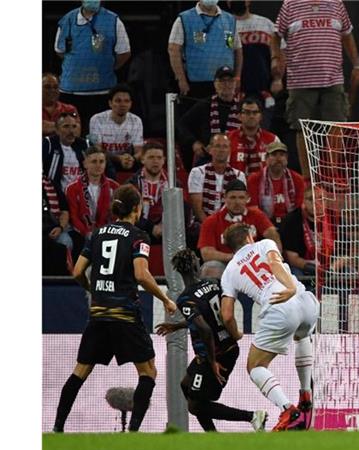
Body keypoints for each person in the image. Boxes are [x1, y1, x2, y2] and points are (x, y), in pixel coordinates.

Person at [53, 184, 177, 432]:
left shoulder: (97, 234)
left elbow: (77, 271)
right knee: (148, 372)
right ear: (137, 208)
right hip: (125, 315)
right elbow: (141, 275)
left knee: (80, 371)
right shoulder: (138, 236)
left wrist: (91, 289)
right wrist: (165, 299)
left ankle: (57, 428)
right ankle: (133, 432)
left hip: (98, 314)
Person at [154, 249, 268, 432]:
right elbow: (212, 317)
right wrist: (177, 326)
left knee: (196, 406)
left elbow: (205, 329)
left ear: (179, 272)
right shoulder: (214, 283)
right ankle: (212, 435)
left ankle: (253, 416)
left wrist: (213, 361)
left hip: (216, 354)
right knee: (185, 385)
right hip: (226, 347)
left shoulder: (185, 298)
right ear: (197, 265)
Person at [219, 223, 319, 431]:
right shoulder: (266, 243)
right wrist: (291, 286)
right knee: (302, 337)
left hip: (280, 307)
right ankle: (305, 393)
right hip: (307, 301)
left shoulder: (229, 272)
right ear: (249, 237)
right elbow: (274, 262)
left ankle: (288, 409)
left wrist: (236, 333)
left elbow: (226, 314)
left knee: (255, 366)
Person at [272, 0, 359, 177]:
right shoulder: (290, 4)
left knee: (337, 125)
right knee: (302, 128)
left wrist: (357, 65)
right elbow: (275, 35)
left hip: (333, 77)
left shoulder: (336, 4)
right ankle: (308, 178)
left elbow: (347, 34)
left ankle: (331, 174)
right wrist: (275, 58)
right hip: (300, 80)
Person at [54, 0, 131, 132]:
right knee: (70, 134)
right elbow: (59, 50)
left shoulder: (113, 21)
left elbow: (124, 53)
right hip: (70, 92)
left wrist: (106, 68)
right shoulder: (67, 20)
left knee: (102, 136)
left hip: (102, 92)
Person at [197, 179, 280, 278]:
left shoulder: (256, 215)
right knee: (210, 268)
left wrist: (274, 256)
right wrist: (235, 257)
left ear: (247, 198)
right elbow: (206, 253)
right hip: (226, 264)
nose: (237, 202)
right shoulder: (211, 221)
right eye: (232, 197)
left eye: (241, 197)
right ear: (225, 198)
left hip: (255, 263)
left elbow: (273, 235)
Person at [168, 0, 243, 99]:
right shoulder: (185, 18)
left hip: (225, 83)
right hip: (197, 84)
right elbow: (173, 49)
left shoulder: (229, 19)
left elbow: (237, 50)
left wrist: (237, 77)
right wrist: (181, 79)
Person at [227, 0, 279, 128]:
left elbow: (280, 52)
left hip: (263, 90)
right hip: (234, 91)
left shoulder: (265, 23)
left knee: (263, 132)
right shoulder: (224, 25)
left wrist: (278, 78)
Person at [179, 66, 242, 168]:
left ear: (235, 83)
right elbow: (182, 124)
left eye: (230, 81)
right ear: (215, 84)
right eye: (222, 81)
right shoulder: (204, 104)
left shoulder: (242, 107)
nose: (226, 84)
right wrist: (194, 142)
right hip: (207, 157)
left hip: (236, 157)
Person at [66, 146, 121, 241]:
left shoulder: (115, 187)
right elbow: (74, 217)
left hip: (108, 233)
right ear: (85, 164)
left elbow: (117, 215)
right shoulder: (72, 188)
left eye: (101, 161)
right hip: (81, 235)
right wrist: (87, 233)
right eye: (94, 161)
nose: (98, 165)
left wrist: (106, 232)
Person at [188, 133, 245, 223]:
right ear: (210, 149)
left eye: (225, 146)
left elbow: (239, 206)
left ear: (229, 150)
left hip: (231, 225)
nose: (221, 150)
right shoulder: (197, 172)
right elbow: (197, 209)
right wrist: (212, 228)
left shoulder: (239, 175)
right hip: (204, 225)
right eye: (217, 146)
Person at [246, 141, 305, 229]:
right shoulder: (254, 179)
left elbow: (299, 209)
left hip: (291, 224)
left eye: (281, 155)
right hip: (264, 225)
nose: (278, 159)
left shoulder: (297, 179)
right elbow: (254, 209)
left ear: (287, 158)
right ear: (266, 158)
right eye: (274, 155)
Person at [88, 84, 144, 174]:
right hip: (105, 160)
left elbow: (139, 150)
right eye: (118, 101)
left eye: (126, 101)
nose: (122, 104)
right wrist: (118, 158)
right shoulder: (97, 119)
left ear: (131, 104)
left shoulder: (136, 120)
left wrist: (132, 159)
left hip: (127, 160)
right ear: (110, 103)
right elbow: (97, 149)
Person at [44, 112, 89, 210]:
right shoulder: (48, 144)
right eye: (66, 126)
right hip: (54, 198)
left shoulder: (83, 145)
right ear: (57, 130)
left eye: (74, 126)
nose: (71, 131)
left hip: (79, 198)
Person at [227, 96, 279, 177]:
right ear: (239, 116)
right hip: (236, 187)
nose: (251, 116)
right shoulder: (228, 139)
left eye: (255, 112)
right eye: (247, 112)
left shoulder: (273, 140)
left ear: (261, 116)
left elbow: (279, 169)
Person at [43, 176, 74, 276]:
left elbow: (64, 211)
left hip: (52, 229)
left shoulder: (50, 184)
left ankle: (62, 282)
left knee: (66, 241)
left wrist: (60, 227)